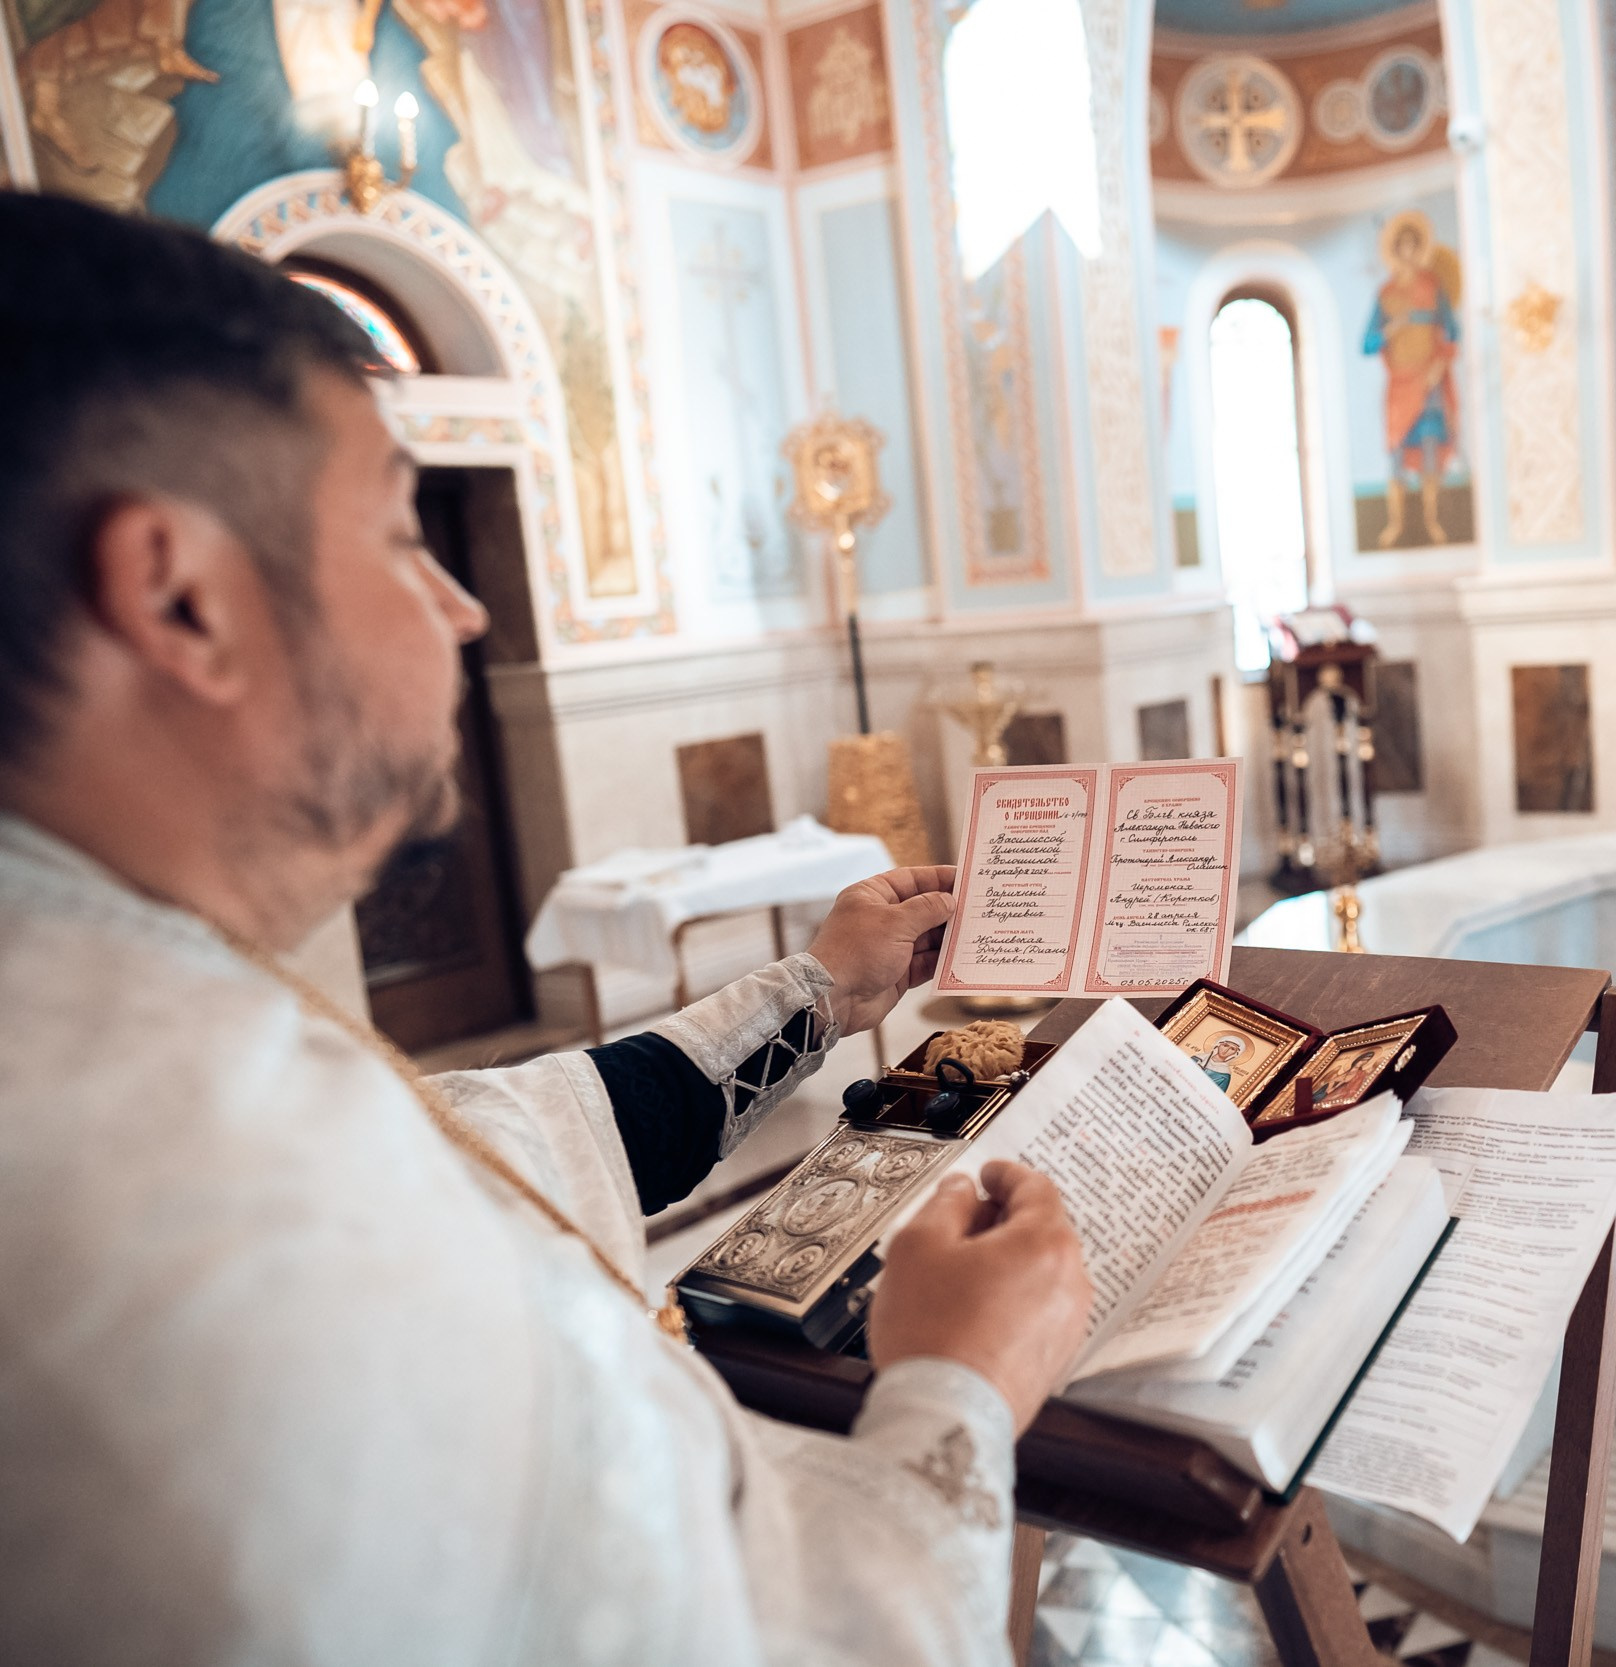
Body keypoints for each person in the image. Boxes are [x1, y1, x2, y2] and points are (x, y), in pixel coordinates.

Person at [0, 193, 1094, 1665]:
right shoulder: (227, 1227)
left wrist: (820, 994)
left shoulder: (104, 1015)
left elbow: (493, 1135)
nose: (461, 607)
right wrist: (957, 1387)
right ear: (181, 595)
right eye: (398, 529)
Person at [1362, 211, 1461, 548]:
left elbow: (1452, 332)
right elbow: (1367, 343)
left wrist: (1440, 364)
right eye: (1400, 247)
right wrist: (1392, 328)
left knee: (1431, 450)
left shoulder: (1433, 288)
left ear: (1418, 249)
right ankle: (1395, 524)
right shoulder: (1386, 293)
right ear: (1395, 250)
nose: (1406, 253)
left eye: (1411, 246)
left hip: (1429, 380)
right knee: (1396, 452)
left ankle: (1434, 523)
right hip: (1399, 384)